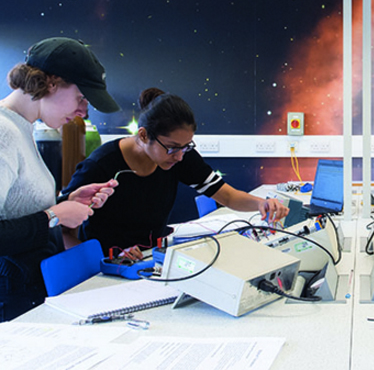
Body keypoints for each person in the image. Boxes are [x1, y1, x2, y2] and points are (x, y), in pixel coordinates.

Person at [62, 88, 289, 259]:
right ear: (143, 136)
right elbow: (64, 233)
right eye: (172, 147)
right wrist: (101, 260)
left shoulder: (179, 155)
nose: (179, 156)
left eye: (186, 146)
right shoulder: (100, 166)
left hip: (154, 260)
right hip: (106, 271)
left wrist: (262, 204)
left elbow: (227, 196)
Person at [0, 37, 119, 321]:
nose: (83, 112)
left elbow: (18, 210)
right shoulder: (4, 134)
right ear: (51, 82)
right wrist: (55, 215)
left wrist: (67, 202)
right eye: (81, 98)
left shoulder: (21, 129)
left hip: (28, 293)